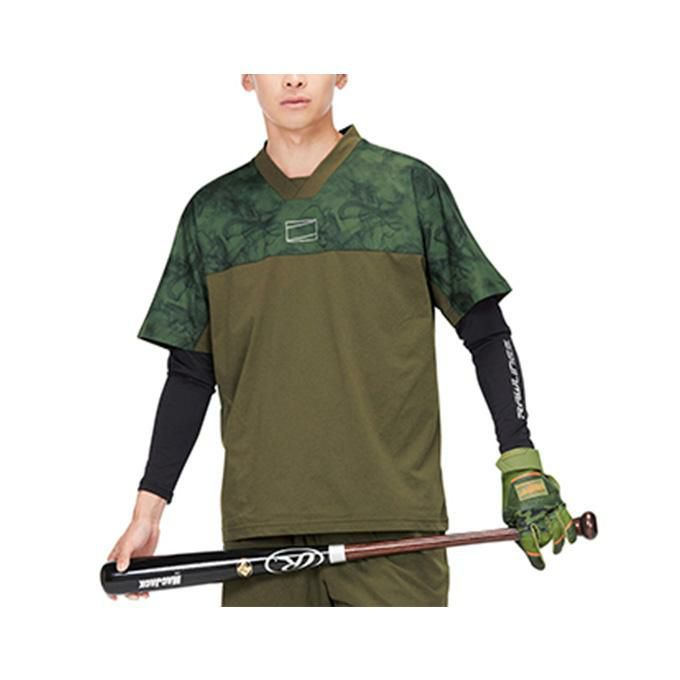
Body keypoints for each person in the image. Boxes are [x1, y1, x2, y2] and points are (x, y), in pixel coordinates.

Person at [106, 74, 578, 606]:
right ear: (246, 77)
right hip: (261, 539)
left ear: (341, 71)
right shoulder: (213, 214)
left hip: (397, 532)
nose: (292, 77)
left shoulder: (408, 189)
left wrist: (520, 458)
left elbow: (486, 332)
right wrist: (148, 511)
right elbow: (191, 375)